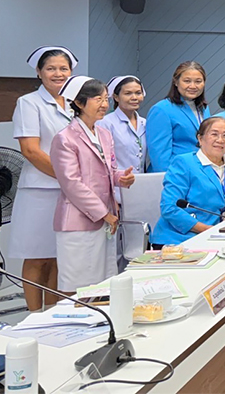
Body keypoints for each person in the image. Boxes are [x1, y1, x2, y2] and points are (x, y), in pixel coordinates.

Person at [50, 77, 135, 293]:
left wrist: (121, 178)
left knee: (103, 283)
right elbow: (71, 183)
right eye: (98, 99)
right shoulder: (65, 138)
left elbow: (109, 170)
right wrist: (103, 213)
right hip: (79, 221)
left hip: (106, 220)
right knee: (76, 285)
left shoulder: (104, 134)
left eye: (106, 99)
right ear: (79, 103)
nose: (104, 104)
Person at [10, 46, 78, 311]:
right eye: (51, 68)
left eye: (63, 68)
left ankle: (51, 314)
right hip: (40, 191)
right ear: (39, 72)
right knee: (37, 257)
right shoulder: (28, 103)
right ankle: (33, 315)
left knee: (61, 256)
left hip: (70, 192)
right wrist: (68, 178)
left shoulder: (75, 103)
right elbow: (31, 150)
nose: (58, 74)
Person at [152, 117, 225, 246]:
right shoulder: (184, 163)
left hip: (218, 237)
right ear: (200, 139)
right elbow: (169, 208)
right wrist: (208, 230)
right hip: (178, 239)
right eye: (214, 134)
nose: (220, 140)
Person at [146, 61, 209, 172]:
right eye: (187, 81)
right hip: (176, 174)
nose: (193, 86)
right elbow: (159, 156)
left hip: (199, 172)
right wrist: (171, 178)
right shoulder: (162, 109)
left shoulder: (203, 108)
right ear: (176, 82)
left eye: (198, 81)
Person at [97, 75, 147, 174]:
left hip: (142, 180)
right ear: (116, 97)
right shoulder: (105, 123)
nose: (134, 97)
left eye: (138, 93)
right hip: (117, 181)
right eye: (128, 93)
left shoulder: (144, 123)